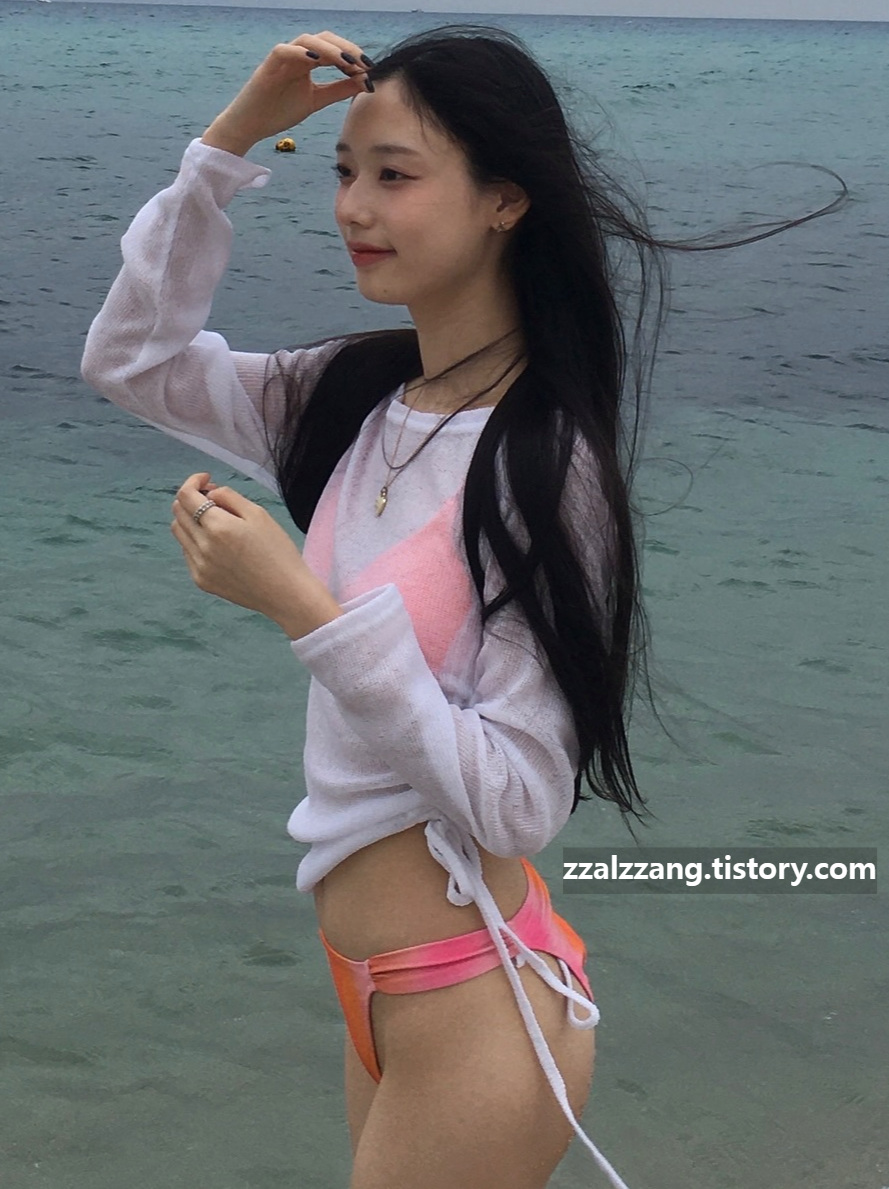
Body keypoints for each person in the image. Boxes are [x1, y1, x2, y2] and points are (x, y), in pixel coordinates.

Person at [80, 22, 844, 1189]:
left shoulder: (546, 466)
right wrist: (227, 145)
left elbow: (518, 798)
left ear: (504, 201)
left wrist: (303, 607)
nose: (354, 207)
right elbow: (131, 359)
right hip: (379, 990)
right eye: (344, 171)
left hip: (477, 1000)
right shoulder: (352, 393)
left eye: (395, 175)